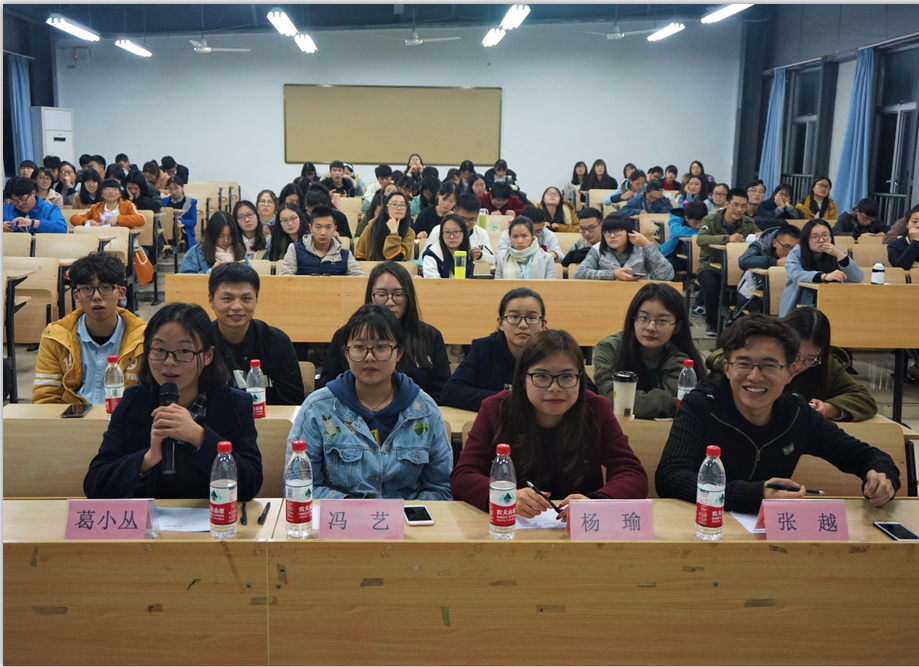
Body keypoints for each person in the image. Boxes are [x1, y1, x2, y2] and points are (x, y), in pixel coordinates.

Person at [655, 314, 899, 513]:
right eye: (744, 364)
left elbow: (866, 455)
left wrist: (882, 477)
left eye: (769, 365)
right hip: (704, 528)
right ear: (727, 368)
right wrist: (755, 494)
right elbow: (670, 476)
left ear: (790, 372)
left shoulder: (796, 414)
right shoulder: (701, 405)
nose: (755, 376)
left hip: (769, 537)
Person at [451, 328, 648, 519]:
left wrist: (596, 502)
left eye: (567, 376)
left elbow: (631, 473)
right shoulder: (496, 409)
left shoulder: (597, 409)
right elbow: (463, 475)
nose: (554, 388)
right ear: (523, 379)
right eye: (542, 376)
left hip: (580, 529)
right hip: (511, 526)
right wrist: (504, 497)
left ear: (581, 378)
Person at [83, 302, 263, 500]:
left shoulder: (235, 404)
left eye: (184, 351)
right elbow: (95, 485)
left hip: (213, 516)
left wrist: (199, 437)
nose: (169, 361)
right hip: (151, 518)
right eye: (159, 349)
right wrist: (147, 459)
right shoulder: (133, 401)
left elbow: (250, 484)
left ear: (208, 355)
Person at [286, 304, 451, 500]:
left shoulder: (425, 410)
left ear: (399, 353)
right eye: (359, 347)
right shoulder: (317, 408)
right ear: (346, 353)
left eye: (381, 347)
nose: (370, 357)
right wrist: (356, 511)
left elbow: (441, 488)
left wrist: (405, 514)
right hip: (341, 517)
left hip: (406, 518)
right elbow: (299, 485)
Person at [441, 288, 600, 412]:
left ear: (543, 324)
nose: (523, 325)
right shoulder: (483, 348)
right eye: (514, 317)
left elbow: (590, 393)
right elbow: (451, 391)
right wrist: (519, 400)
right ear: (501, 323)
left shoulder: (556, 350)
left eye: (531, 318)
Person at [706, 308, 878, 422]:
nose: (800, 365)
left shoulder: (826, 366)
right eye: (795, 356)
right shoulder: (740, 364)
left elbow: (863, 399)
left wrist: (827, 408)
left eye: (811, 358)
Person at [318, 262, 451, 401]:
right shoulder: (346, 335)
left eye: (398, 294)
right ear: (370, 296)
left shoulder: (430, 336)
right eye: (381, 295)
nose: (389, 302)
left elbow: (442, 392)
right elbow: (326, 389)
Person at [32, 253, 145, 405]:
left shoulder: (144, 337)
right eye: (87, 288)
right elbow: (45, 399)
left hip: (124, 418)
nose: (96, 296)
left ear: (121, 293)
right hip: (72, 417)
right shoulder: (55, 336)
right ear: (76, 296)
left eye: (106, 287)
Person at [594, 283, 705, 419]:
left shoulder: (682, 359)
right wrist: (673, 403)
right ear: (633, 319)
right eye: (644, 318)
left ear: (677, 327)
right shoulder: (609, 348)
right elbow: (612, 399)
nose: (650, 327)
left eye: (662, 321)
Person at [208, 263, 304, 406]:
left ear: (256, 300)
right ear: (211, 300)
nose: (237, 307)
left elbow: (292, 403)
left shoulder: (277, 342)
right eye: (227, 298)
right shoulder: (201, 342)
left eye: (246, 298)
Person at [696, 188, 761, 336]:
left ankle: (737, 319)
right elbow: (701, 239)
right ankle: (712, 323)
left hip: (736, 267)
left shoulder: (748, 222)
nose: (739, 210)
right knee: (712, 284)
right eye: (735, 205)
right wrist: (727, 239)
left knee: (751, 284)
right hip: (710, 265)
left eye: (743, 206)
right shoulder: (710, 220)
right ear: (726, 204)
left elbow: (761, 239)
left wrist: (759, 235)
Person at [778, 219, 863, 316]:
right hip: (798, 307)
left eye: (825, 235)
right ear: (806, 239)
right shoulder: (796, 253)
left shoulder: (836, 252)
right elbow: (796, 274)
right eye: (815, 237)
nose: (821, 240)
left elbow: (857, 278)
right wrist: (823, 276)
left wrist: (840, 255)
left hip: (831, 305)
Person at [573, 213, 674, 281]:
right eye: (607, 232)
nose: (612, 236)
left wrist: (647, 245)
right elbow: (579, 274)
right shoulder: (597, 249)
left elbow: (667, 275)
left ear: (629, 232)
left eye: (617, 231)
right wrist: (613, 274)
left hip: (639, 297)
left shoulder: (642, 249)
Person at [731, 224, 802, 317]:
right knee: (759, 308)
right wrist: (775, 262)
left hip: (784, 292)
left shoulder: (801, 251)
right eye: (786, 247)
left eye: (794, 248)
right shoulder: (761, 244)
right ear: (775, 243)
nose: (790, 252)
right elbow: (743, 261)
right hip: (752, 293)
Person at [278, 205, 364, 276]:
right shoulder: (295, 249)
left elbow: (359, 279)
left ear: (335, 229)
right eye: (318, 227)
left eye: (328, 227)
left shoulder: (345, 255)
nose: (323, 232)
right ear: (311, 228)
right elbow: (285, 278)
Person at [425, 193, 497, 267]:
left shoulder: (481, 233)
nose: (466, 223)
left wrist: (481, 255)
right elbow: (424, 257)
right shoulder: (438, 230)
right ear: (455, 212)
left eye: (471, 220)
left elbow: (493, 259)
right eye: (462, 219)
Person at [180, 211, 250, 274]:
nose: (226, 240)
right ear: (212, 234)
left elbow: (253, 277)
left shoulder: (238, 250)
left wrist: (243, 272)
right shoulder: (195, 253)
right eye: (220, 236)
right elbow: (185, 280)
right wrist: (211, 272)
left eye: (230, 236)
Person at [354, 191, 415, 261]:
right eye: (394, 204)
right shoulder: (373, 225)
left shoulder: (409, 233)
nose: (399, 208)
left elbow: (396, 258)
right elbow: (360, 254)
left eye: (403, 205)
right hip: (372, 266)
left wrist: (394, 233)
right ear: (386, 209)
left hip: (396, 267)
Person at [69, 178, 144, 228]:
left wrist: (118, 219)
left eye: (114, 189)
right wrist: (87, 221)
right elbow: (74, 218)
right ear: (102, 194)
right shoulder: (96, 207)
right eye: (107, 189)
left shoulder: (128, 205)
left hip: (124, 240)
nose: (111, 192)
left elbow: (141, 219)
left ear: (120, 194)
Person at [3, 176, 67, 233]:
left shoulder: (50, 209)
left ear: (33, 193)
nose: (20, 204)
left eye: (22, 199)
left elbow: (62, 229)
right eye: (15, 201)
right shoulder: (7, 209)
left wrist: (32, 223)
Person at [496, 206, 563, 261]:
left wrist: (552, 255)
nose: (534, 236)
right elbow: (500, 257)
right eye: (530, 232)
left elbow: (560, 256)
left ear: (543, 224)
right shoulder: (509, 234)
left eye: (538, 231)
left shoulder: (548, 234)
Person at [659, 201, 709, 274]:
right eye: (695, 223)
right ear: (686, 218)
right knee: (665, 265)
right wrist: (702, 232)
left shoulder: (708, 217)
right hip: (677, 255)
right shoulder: (677, 216)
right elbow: (675, 232)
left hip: (703, 258)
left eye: (701, 222)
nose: (698, 226)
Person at [421, 213, 472, 278]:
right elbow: (433, 282)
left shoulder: (468, 252)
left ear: (464, 233)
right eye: (447, 232)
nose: (451, 236)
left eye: (456, 232)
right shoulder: (432, 255)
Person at [161, 176, 198, 248]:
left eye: (176, 188)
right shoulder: (164, 201)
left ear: (182, 187)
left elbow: (193, 221)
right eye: (170, 189)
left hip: (183, 230)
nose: (173, 192)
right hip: (165, 228)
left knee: (174, 233)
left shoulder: (190, 202)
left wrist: (181, 221)